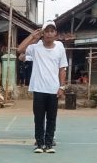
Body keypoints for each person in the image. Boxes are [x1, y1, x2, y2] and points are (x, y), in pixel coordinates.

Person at [17, 20, 67, 154]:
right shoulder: (36, 47)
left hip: (53, 88)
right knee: (38, 118)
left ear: (55, 33)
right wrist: (32, 37)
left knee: (51, 117)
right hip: (39, 88)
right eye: (47, 31)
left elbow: (62, 68)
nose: (49, 34)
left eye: (52, 31)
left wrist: (62, 87)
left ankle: (49, 144)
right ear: (43, 33)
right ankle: (39, 143)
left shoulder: (60, 47)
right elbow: (20, 50)